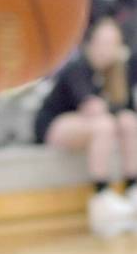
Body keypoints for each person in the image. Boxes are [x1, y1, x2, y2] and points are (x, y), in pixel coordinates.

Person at [34, 16, 137, 236]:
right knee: (105, 125)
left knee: (129, 121)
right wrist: (114, 111)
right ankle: (100, 194)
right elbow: (92, 108)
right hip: (55, 124)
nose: (107, 50)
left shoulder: (116, 72)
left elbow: (124, 109)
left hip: (87, 124)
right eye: (104, 43)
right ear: (91, 42)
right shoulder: (78, 68)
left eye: (113, 44)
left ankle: (132, 186)